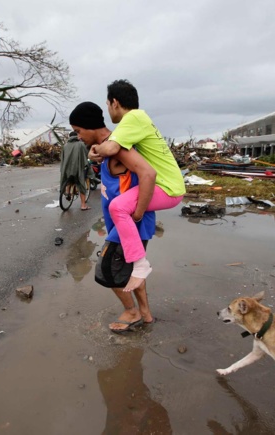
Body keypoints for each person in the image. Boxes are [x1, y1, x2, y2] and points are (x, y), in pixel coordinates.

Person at [87, 80, 186, 292]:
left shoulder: (133, 118)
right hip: (168, 185)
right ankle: (138, 264)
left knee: (118, 208)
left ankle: (140, 265)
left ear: (114, 102)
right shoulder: (139, 120)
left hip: (167, 187)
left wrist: (139, 213)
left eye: (107, 104)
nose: (108, 110)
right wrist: (97, 150)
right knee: (120, 208)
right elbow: (112, 145)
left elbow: (112, 147)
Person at [69, 102, 156, 332]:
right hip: (125, 224)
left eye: (79, 131)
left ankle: (132, 311)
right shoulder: (109, 147)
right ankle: (145, 312)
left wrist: (137, 215)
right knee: (130, 269)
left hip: (129, 223)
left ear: (89, 126)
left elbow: (147, 173)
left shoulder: (118, 147)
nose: (78, 137)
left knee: (107, 270)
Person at [59, 130, 91, 210]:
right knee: (81, 184)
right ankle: (83, 205)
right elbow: (86, 154)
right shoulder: (81, 144)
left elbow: (62, 158)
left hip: (67, 169)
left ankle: (67, 192)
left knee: (68, 180)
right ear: (77, 136)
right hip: (78, 169)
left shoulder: (65, 146)